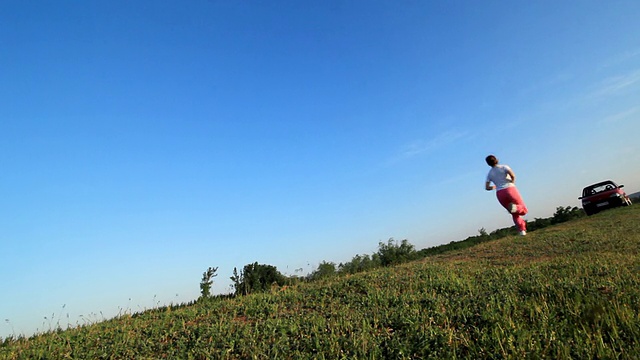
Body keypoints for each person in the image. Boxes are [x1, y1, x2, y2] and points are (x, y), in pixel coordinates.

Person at [484, 155, 528, 236]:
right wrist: (512, 182)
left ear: (488, 164)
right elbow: (513, 175)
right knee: (523, 209)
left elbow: (487, 187)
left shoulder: (489, 174)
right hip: (510, 189)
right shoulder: (504, 167)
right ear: (496, 160)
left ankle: (522, 231)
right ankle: (516, 208)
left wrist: (494, 186)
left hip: (500, 194)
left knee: (514, 214)